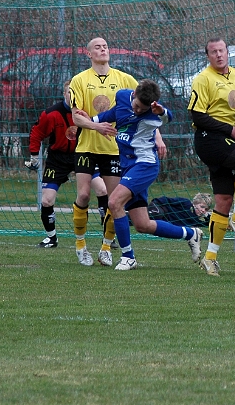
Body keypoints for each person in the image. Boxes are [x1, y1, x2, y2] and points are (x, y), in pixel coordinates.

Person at [82, 79, 203, 269]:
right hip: (129, 166)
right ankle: (191, 234)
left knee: (114, 202)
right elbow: (114, 113)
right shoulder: (122, 96)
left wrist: (161, 111)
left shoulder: (153, 114)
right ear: (134, 95)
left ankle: (128, 257)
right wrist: (92, 120)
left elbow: (167, 117)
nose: (139, 111)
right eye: (137, 106)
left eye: (143, 108)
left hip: (145, 165)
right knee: (142, 224)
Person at [69, 37, 166, 267]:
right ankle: (81, 244)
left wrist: (158, 138)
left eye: (105, 46)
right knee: (83, 195)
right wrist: (97, 126)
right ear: (88, 53)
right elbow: (76, 118)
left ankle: (106, 247)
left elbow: (149, 110)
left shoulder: (125, 79)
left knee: (115, 201)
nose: (102, 49)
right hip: (86, 146)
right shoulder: (79, 80)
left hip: (114, 149)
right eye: (97, 47)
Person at [188, 37, 235, 276]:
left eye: (221, 51)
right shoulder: (203, 79)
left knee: (223, 202)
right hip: (209, 139)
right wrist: (229, 129)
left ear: (228, 53)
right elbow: (197, 116)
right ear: (207, 56)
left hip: (226, 140)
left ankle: (210, 258)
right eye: (213, 52)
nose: (218, 55)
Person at [25, 80, 109, 248]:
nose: (72, 96)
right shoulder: (51, 114)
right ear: (64, 94)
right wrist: (34, 156)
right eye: (69, 92)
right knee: (47, 200)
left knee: (102, 190)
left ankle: (108, 237)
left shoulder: (86, 112)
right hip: (58, 160)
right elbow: (36, 133)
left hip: (84, 154)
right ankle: (51, 238)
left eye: (75, 93)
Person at [147, 192, 212, 229]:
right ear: (195, 203)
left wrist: (207, 216)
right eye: (202, 207)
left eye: (206, 209)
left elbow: (207, 224)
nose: (203, 210)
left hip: (166, 224)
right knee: (157, 215)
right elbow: (168, 200)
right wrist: (155, 203)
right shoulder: (186, 203)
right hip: (160, 210)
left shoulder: (195, 221)